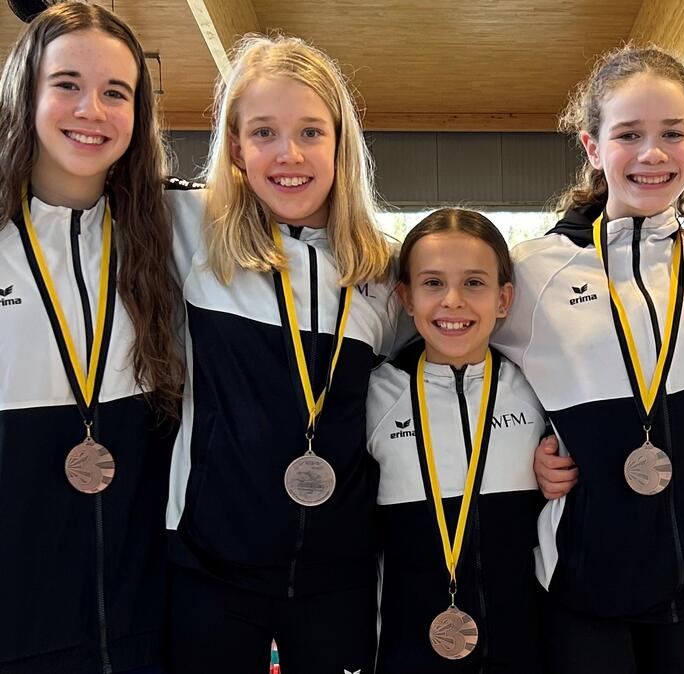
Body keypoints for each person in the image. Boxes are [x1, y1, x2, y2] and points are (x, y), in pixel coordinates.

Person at [495, 45, 684, 674]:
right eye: (629, 134)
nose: (652, 154)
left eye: (672, 133)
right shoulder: (534, 271)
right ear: (592, 145)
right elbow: (463, 365)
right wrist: (527, 448)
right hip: (586, 584)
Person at [162, 35, 399, 674]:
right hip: (212, 569)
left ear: (340, 142)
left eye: (311, 132)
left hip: (340, 578)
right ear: (235, 146)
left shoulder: (382, 271)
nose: (287, 154)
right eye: (263, 131)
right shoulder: (187, 228)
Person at [0, 3, 181, 672]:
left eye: (116, 92)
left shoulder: (170, 237)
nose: (92, 110)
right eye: (68, 84)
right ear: (26, 93)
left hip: (144, 629)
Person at [366, 208, 544, 673]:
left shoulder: (542, 390)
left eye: (474, 283)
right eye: (431, 283)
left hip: (526, 650)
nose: (452, 301)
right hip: (408, 654)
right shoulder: (373, 397)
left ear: (504, 298)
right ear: (405, 297)